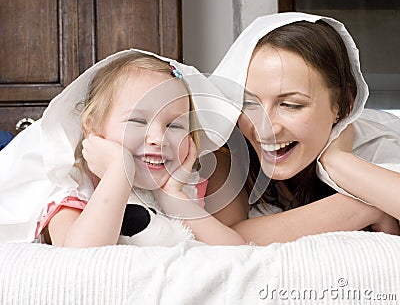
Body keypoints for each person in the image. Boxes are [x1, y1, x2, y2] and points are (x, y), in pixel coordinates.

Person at [0, 49, 245, 247]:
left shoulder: (182, 188)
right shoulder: (76, 188)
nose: (159, 139)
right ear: (92, 129)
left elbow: (237, 252)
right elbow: (78, 256)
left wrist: (171, 195)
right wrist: (119, 172)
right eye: (137, 121)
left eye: (174, 125)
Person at [207, 12, 400, 245]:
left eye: (290, 105)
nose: (264, 129)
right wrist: (363, 206)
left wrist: (338, 161)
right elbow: (225, 239)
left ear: (344, 105)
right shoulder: (227, 144)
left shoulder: (376, 147)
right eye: (249, 103)